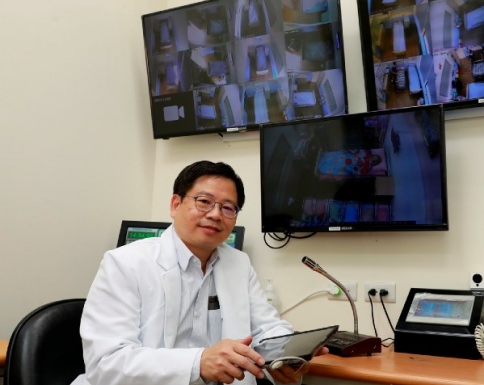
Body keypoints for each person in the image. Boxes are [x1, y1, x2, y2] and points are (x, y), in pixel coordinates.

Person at [72, 161, 325, 385]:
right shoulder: (124, 263)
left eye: (228, 208)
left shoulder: (238, 263)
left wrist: (288, 351)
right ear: (175, 204)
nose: (215, 214)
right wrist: (197, 363)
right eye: (204, 202)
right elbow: (107, 363)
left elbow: (265, 328)